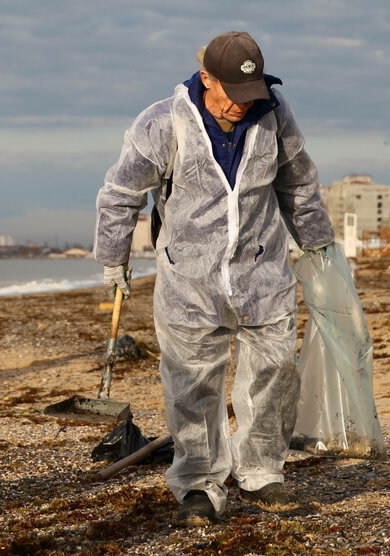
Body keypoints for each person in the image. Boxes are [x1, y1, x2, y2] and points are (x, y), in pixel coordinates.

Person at [94, 31, 334, 526]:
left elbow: (298, 182)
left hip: (263, 272)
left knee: (273, 375)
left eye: (253, 96)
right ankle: (199, 484)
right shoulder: (162, 123)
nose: (243, 107)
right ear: (206, 79)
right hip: (190, 282)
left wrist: (319, 244)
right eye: (233, 96)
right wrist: (113, 259)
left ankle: (262, 472)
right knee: (191, 386)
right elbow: (120, 194)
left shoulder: (272, 111)